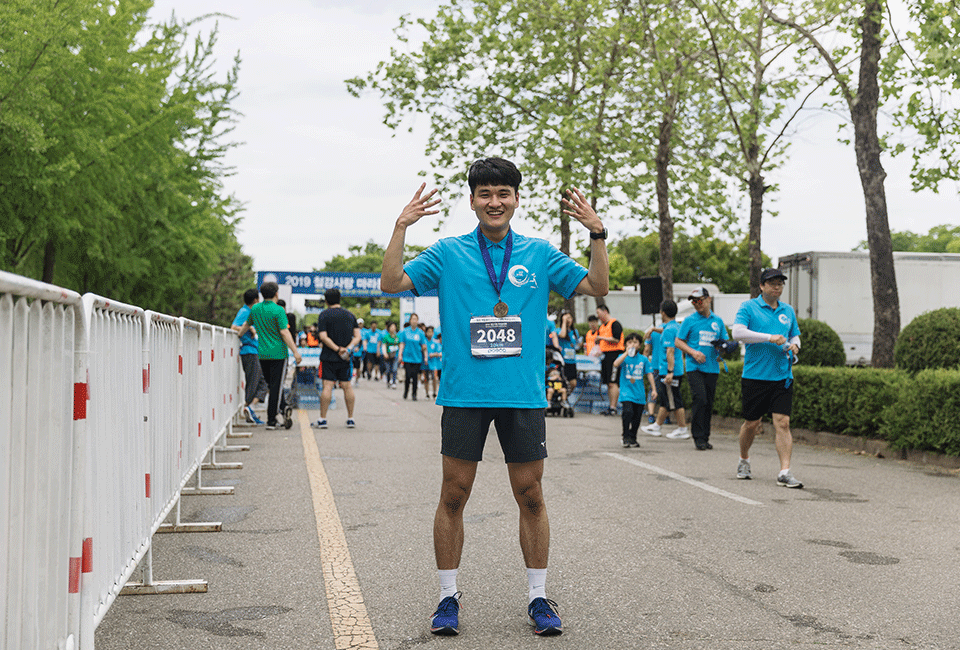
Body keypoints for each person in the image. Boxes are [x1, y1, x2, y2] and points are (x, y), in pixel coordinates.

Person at [380, 157, 609, 637]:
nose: (494, 202)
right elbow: (393, 283)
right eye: (485, 194)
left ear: (516, 199)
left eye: (503, 193)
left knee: (530, 495)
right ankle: (447, 599)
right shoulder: (448, 253)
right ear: (472, 201)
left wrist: (597, 233)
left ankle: (539, 596)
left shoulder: (540, 254)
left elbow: (596, 287)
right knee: (454, 494)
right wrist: (401, 226)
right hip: (465, 394)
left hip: (522, 397)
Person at [732, 268, 804, 488]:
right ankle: (744, 458)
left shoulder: (787, 310)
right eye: (772, 283)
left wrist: (796, 344)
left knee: (783, 422)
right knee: (752, 423)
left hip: (782, 375)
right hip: (755, 375)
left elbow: (794, 333)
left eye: (780, 283)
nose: (777, 287)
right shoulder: (748, 307)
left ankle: (784, 472)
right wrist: (769, 337)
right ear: (762, 286)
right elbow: (737, 333)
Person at [235, 282, 302, 430]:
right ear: (276, 294)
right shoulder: (279, 310)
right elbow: (284, 332)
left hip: (262, 354)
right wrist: (295, 351)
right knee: (276, 386)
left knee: (272, 387)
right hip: (278, 353)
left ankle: (283, 408)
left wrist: (238, 336)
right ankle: (272, 420)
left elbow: (246, 325)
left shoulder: (256, 309)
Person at [675, 287, 727, 450]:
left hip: (712, 367)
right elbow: (678, 341)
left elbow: (723, 341)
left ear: (708, 299)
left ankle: (705, 436)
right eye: (694, 301)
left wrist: (722, 350)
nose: (697, 304)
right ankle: (697, 436)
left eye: (700, 300)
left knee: (709, 403)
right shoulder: (689, 320)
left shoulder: (717, 321)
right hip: (694, 367)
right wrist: (693, 352)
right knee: (700, 398)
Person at [313, 288, 361, 429]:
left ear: (326, 300)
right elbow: (358, 336)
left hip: (328, 357)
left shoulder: (324, 315)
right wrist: (347, 349)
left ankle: (323, 419)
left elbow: (323, 336)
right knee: (347, 386)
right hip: (346, 358)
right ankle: (350, 418)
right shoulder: (350, 315)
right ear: (340, 299)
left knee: (327, 386)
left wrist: (336, 349)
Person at [642, 300, 689, 439]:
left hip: (670, 371)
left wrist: (670, 372)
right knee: (667, 400)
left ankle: (682, 428)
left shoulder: (669, 330)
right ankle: (657, 426)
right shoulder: (675, 327)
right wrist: (653, 329)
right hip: (675, 370)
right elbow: (667, 331)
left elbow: (670, 352)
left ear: (663, 313)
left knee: (674, 400)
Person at [231, 288, 269, 425]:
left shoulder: (250, 312)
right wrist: (249, 328)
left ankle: (250, 408)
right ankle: (248, 406)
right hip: (249, 351)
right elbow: (234, 327)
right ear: (255, 300)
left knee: (262, 382)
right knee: (254, 381)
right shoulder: (244, 312)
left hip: (254, 351)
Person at [613, 333, 657, 448]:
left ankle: (633, 437)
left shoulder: (643, 359)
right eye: (629, 342)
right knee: (628, 412)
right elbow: (616, 364)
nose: (632, 344)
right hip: (626, 392)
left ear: (639, 345)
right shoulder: (623, 357)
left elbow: (649, 374)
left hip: (639, 393)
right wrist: (626, 353)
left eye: (635, 342)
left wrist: (654, 389)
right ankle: (625, 435)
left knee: (637, 417)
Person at [596, 304, 624, 415]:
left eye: (598, 313)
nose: (597, 316)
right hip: (605, 356)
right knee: (608, 382)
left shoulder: (615, 324)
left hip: (614, 355)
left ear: (605, 311)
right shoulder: (602, 327)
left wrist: (602, 338)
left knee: (613, 382)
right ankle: (610, 406)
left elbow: (616, 339)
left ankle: (613, 407)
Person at [399, 313, 428, 400]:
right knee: (408, 376)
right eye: (413, 319)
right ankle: (406, 392)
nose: (414, 321)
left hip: (417, 358)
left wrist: (426, 357)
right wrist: (400, 354)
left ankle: (414, 394)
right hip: (407, 358)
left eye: (416, 319)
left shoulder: (420, 333)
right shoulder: (405, 331)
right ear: (410, 320)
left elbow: (424, 346)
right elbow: (402, 344)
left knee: (415, 377)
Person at [556, 311, 581, 392]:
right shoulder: (559, 330)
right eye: (566, 318)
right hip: (563, 361)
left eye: (569, 318)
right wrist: (564, 321)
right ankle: (560, 398)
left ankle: (566, 396)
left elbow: (576, 344)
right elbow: (562, 335)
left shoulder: (575, 332)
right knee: (561, 383)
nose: (568, 320)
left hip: (572, 361)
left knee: (573, 383)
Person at [380, 321, 401, 388]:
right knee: (388, 370)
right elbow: (384, 345)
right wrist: (385, 353)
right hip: (388, 355)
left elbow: (400, 345)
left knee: (394, 369)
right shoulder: (386, 337)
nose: (393, 328)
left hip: (395, 355)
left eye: (394, 327)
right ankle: (388, 381)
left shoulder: (397, 337)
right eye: (391, 327)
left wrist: (400, 354)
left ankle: (394, 382)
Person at [424, 326, 442, 399]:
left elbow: (438, 353)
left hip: (434, 364)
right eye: (428, 332)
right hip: (425, 363)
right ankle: (427, 393)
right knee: (426, 379)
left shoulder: (435, 342)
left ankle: (434, 392)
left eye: (431, 332)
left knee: (434, 378)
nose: (430, 333)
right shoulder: (424, 341)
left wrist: (433, 354)